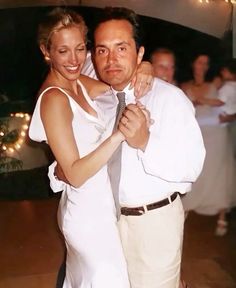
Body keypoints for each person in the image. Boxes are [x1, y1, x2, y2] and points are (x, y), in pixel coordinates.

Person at [29, 7, 154, 288]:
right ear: (46, 52)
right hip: (86, 214)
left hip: (100, 206)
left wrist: (145, 65)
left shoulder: (77, 83)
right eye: (63, 51)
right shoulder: (54, 99)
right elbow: (74, 173)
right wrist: (120, 135)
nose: (75, 60)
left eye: (80, 48)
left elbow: (118, 87)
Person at [90, 7, 205, 287]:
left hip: (153, 223)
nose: (111, 59)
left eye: (121, 48)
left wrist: (145, 142)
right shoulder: (99, 100)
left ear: (140, 53)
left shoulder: (170, 99)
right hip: (107, 223)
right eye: (102, 50)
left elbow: (191, 168)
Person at [181, 53, 236, 236]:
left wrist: (232, 116)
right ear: (193, 64)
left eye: (206, 62)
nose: (203, 66)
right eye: (200, 62)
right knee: (197, 171)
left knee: (219, 172)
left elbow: (231, 104)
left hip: (217, 135)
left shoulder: (217, 84)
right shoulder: (184, 86)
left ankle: (221, 216)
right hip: (196, 135)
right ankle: (187, 208)